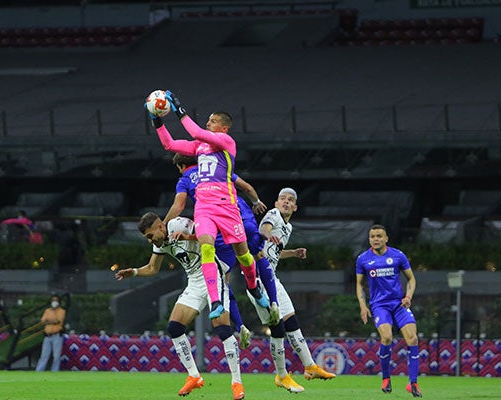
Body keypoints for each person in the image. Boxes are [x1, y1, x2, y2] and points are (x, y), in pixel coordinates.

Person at [151, 90, 268, 320]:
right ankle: (215, 300)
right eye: (208, 120)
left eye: (213, 121)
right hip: (204, 208)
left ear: (224, 128)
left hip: (226, 206)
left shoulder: (226, 142)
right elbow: (169, 144)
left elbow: (195, 131)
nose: (208, 123)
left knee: (244, 255)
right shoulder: (198, 147)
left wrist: (179, 109)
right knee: (206, 247)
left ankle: (253, 286)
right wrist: (157, 120)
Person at [115, 212, 246, 400]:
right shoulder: (160, 243)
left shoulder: (179, 225)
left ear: (160, 226)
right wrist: (134, 272)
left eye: (150, 236)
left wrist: (188, 237)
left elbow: (210, 236)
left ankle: (237, 382)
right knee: (174, 327)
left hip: (213, 277)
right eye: (147, 238)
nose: (150, 241)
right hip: (194, 282)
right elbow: (152, 268)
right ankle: (194, 375)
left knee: (223, 329)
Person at [164, 153, 280, 348]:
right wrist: (256, 201)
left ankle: (240, 324)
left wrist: (164, 225)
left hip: (215, 218)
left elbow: (179, 205)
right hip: (240, 213)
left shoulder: (184, 179)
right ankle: (262, 294)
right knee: (252, 254)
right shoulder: (216, 168)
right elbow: (247, 187)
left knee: (221, 276)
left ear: (181, 166)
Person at [253, 188, 336, 393]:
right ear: (276, 203)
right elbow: (264, 228)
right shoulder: (273, 215)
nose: (286, 202)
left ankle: (310, 366)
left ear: (296, 207)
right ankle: (282, 376)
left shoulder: (288, 228)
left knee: (291, 321)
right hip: (257, 279)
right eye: (283, 199)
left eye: (290, 200)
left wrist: (293, 253)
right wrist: (265, 234)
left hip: (272, 277)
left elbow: (274, 253)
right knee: (278, 327)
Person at [356, 224, 422, 397]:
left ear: (386, 238)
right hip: (379, 305)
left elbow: (411, 279)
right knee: (386, 337)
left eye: (379, 236)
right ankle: (386, 378)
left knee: (413, 338)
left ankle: (413, 383)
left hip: (399, 304)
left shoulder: (398, 255)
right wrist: (363, 305)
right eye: (372, 236)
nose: (375, 239)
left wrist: (408, 296)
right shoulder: (363, 259)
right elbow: (359, 284)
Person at [35, 294, 66, 372]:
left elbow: (58, 321)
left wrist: (48, 320)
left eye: (56, 300)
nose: (54, 302)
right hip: (47, 336)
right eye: (53, 300)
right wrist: (50, 321)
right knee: (44, 355)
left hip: (57, 335)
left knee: (56, 356)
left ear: (59, 302)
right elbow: (42, 321)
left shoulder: (62, 311)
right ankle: (39, 371)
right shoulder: (47, 310)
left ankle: (54, 371)